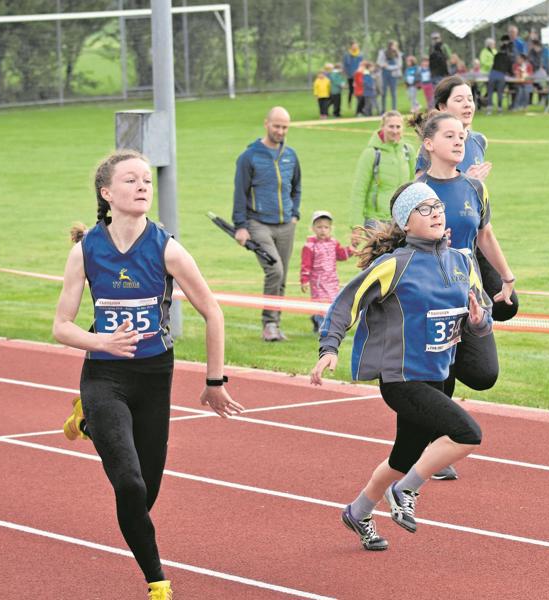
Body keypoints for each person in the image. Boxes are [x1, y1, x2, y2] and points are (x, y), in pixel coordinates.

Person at [55, 150, 244, 599]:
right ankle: (158, 583)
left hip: (154, 376)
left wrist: (214, 382)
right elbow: (61, 326)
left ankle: (86, 422)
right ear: (107, 193)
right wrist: (101, 342)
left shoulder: (167, 248)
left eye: (147, 180)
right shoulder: (85, 252)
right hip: (103, 375)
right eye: (131, 180)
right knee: (129, 482)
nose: (143, 186)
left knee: (144, 495)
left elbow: (212, 313)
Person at [311, 182, 492, 551]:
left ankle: (358, 512)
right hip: (401, 378)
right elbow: (347, 303)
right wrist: (329, 347)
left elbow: (482, 313)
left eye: (438, 206)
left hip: (438, 375)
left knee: (404, 456)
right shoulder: (394, 265)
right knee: (467, 434)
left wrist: (477, 322)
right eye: (425, 209)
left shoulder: (462, 261)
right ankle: (405, 490)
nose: (437, 213)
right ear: (405, 223)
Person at [412, 112, 519, 483]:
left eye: (462, 136)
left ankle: (428, 412)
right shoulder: (418, 191)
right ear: (429, 144)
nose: (460, 142)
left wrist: (506, 277)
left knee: (484, 373)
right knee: (438, 377)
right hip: (430, 298)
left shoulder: (474, 189)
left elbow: (485, 236)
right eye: (450, 136)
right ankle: (432, 448)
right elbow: (401, 245)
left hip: (469, 295)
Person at [232, 106, 301, 342]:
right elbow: (240, 193)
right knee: (274, 270)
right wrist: (240, 226)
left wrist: (295, 214)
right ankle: (269, 323)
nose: (281, 131)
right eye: (277, 126)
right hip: (258, 223)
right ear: (266, 124)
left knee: (282, 277)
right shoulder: (249, 157)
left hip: (286, 224)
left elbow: (296, 186)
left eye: (285, 127)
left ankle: (276, 324)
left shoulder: (291, 155)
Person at [415, 76, 492, 182]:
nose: (467, 104)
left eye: (470, 99)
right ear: (442, 107)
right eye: (459, 100)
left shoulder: (480, 140)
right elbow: (421, 194)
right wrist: (467, 182)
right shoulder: (432, 146)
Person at [349, 110, 416, 229]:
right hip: (376, 221)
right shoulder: (371, 154)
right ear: (383, 127)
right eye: (391, 126)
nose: (395, 131)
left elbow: (414, 185)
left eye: (398, 127)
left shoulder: (408, 151)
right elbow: (359, 190)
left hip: (402, 218)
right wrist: (356, 225)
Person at [300, 210, 355, 333]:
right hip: (318, 282)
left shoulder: (333, 243)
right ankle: (322, 325)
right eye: (319, 227)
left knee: (333, 301)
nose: (322, 230)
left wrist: (352, 248)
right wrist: (304, 280)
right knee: (321, 303)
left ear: (330, 228)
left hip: (332, 281)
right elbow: (305, 265)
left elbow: (341, 255)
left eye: (326, 227)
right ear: (313, 228)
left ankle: (317, 319)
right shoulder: (309, 246)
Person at [486, 35, 514, 115]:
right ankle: (499, 109)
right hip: (501, 75)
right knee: (499, 92)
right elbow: (509, 69)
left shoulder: (496, 55)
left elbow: (494, 64)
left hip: (493, 74)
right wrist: (512, 74)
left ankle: (489, 109)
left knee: (490, 91)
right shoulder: (508, 57)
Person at [376, 40, 403, 113]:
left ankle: (394, 109)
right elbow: (379, 62)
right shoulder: (383, 52)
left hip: (393, 74)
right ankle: (383, 110)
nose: (395, 47)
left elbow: (399, 65)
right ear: (390, 45)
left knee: (393, 92)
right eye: (394, 45)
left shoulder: (398, 54)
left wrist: (389, 67)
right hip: (384, 73)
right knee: (383, 92)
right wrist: (383, 65)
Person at [342, 41, 362, 108]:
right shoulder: (347, 55)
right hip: (350, 75)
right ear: (351, 46)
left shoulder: (360, 55)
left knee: (358, 90)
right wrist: (347, 73)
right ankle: (349, 103)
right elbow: (345, 65)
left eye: (356, 45)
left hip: (358, 75)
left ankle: (359, 105)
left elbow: (361, 65)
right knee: (351, 90)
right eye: (354, 45)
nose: (355, 47)